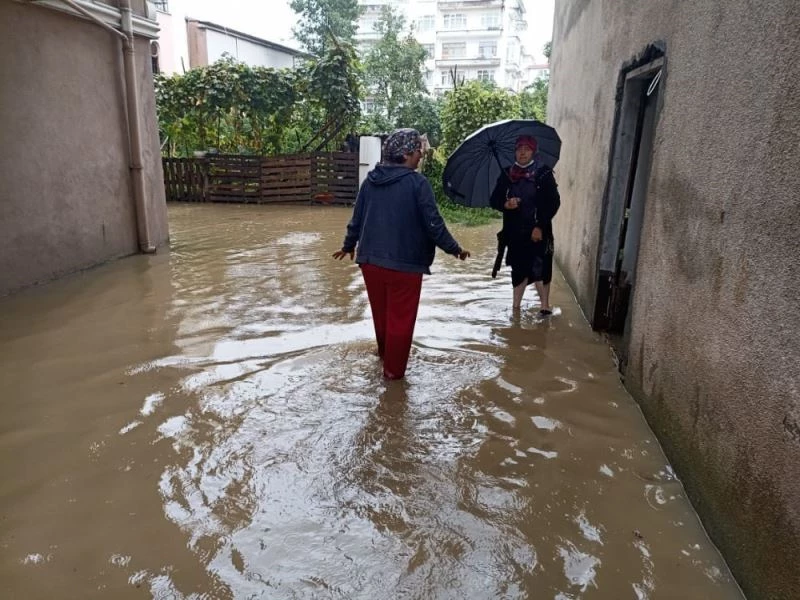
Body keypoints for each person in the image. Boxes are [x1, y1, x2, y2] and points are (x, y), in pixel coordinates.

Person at [333, 128, 470, 380]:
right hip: (404, 265)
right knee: (401, 321)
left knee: (382, 316)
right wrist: (455, 249)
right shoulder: (418, 183)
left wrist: (348, 245)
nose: (421, 155)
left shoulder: (370, 181)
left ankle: (384, 357)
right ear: (406, 154)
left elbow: (357, 219)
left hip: (370, 262)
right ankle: (393, 380)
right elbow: (434, 225)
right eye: (418, 150)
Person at [489, 135, 560, 315]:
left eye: (527, 149)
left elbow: (553, 202)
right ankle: (516, 309)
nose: (522, 153)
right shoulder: (507, 174)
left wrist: (540, 226)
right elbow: (494, 199)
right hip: (515, 232)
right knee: (518, 269)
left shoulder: (543, 173)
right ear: (515, 152)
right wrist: (506, 204)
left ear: (533, 152)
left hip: (538, 232)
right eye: (519, 149)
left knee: (540, 268)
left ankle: (544, 307)